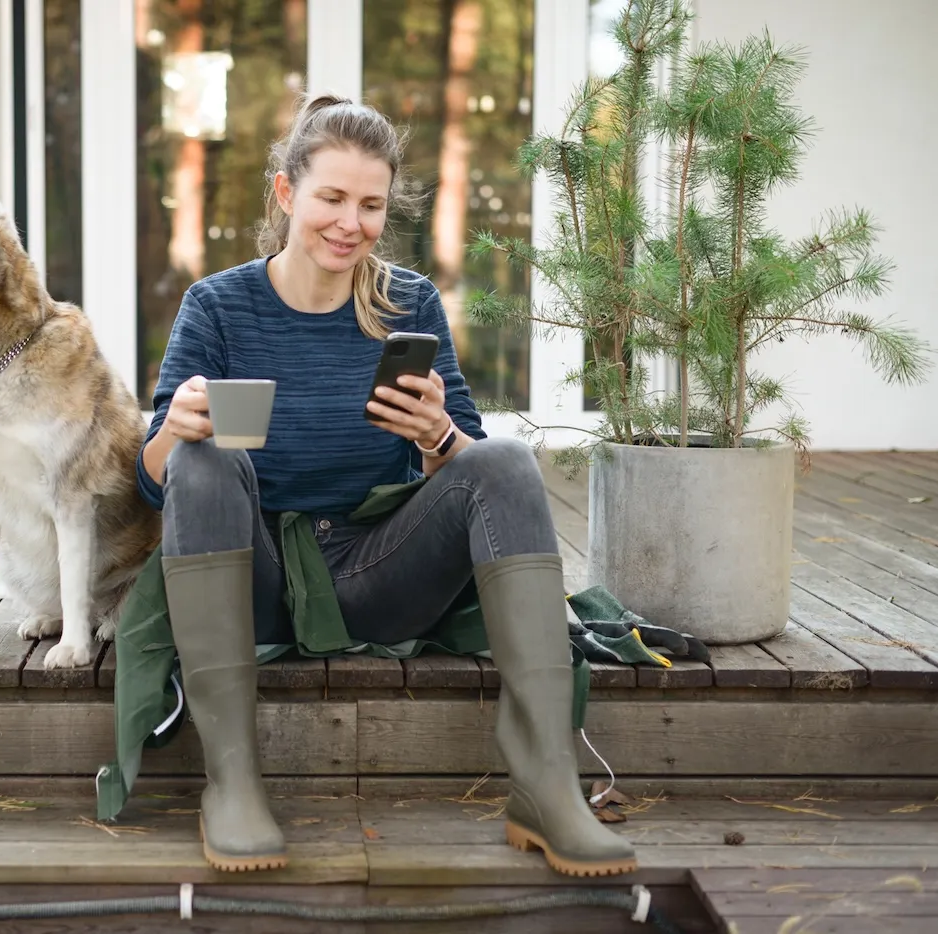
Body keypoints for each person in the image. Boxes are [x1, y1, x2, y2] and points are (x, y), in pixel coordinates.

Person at [134, 92, 636, 878]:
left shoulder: (407, 302)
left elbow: (465, 465)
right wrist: (176, 430)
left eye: (370, 205)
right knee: (203, 457)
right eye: (331, 197)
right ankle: (230, 782)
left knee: (501, 458)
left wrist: (437, 434)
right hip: (255, 578)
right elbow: (156, 480)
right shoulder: (218, 306)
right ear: (285, 192)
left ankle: (548, 789)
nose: (349, 222)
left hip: (377, 573)